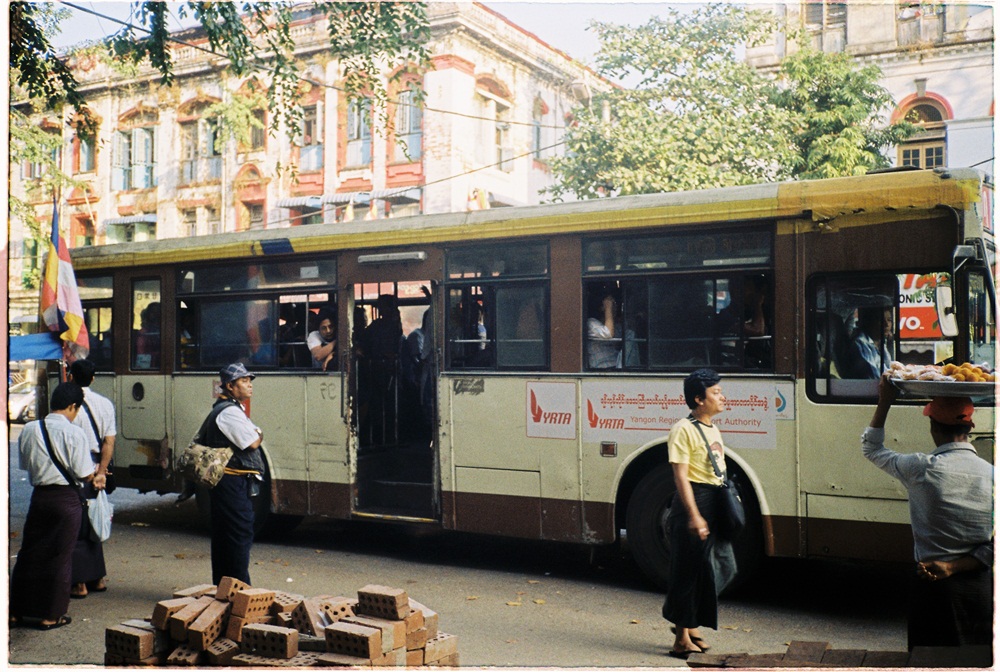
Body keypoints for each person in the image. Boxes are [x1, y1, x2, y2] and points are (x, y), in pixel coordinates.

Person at [863, 376, 993, 649]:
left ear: (934, 426)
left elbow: (872, 448)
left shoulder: (920, 468)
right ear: (970, 426)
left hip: (933, 590)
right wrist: (954, 566)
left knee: (930, 658)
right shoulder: (993, 475)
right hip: (982, 590)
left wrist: (885, 401)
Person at [10, 382, 103, 631]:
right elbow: (84, 473)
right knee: (60, 557)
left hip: (39, 497)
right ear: (72, 406)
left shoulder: (29, 429)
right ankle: (50, 615)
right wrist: (96, 475)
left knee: (29, 553)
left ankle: (15, 612)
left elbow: (26, 466)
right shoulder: (74, 433)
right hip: (65, 500)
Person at [662, 368, 737, 659]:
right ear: (698, 399)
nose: (722, 397)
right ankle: (681, 638)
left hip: (712, 502)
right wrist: (694, 515)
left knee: (721, 567)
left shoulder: (712, 428)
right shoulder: (683, 429)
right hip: (693, 504)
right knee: (688, 571)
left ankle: (688, 623)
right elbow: (681, 477)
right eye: (715, 393)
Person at [197, 362, 265, 585]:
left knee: (227, 535)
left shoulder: (230, 409)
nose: (249, 386)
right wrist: (258, 433)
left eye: (249, 381)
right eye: (244, 381)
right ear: (230, 386)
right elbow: (253, 442)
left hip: (229, 483)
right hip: (231, 482)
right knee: (238, 533)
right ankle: (238, 589)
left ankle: (225, 587)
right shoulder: (229, 413)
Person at [67, 359, 117, 599]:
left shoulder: (67, 405)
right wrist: (101, 472)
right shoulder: (105, 404)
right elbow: (109, 441)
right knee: (94, 521)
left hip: (76, 466)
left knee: (77, 524)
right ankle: (97, 578)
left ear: (70, 377)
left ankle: (79, 583)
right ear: (94, 378)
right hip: (98, 464)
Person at [843, 306, 894, 378]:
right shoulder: (861, 343)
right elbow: (875, 376)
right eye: (881, 320)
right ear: (870, 322)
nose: (887, 324)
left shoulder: (880, 342)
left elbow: (889, 368)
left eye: (889, 320)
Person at [587, 287, 622, 369]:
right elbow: (608, 333)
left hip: (616, 366)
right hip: (602, 369)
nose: (614, 308)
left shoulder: (616, 326)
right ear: (602, 308)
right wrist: (608, 307)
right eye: (612, 305)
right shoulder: (591, 323)